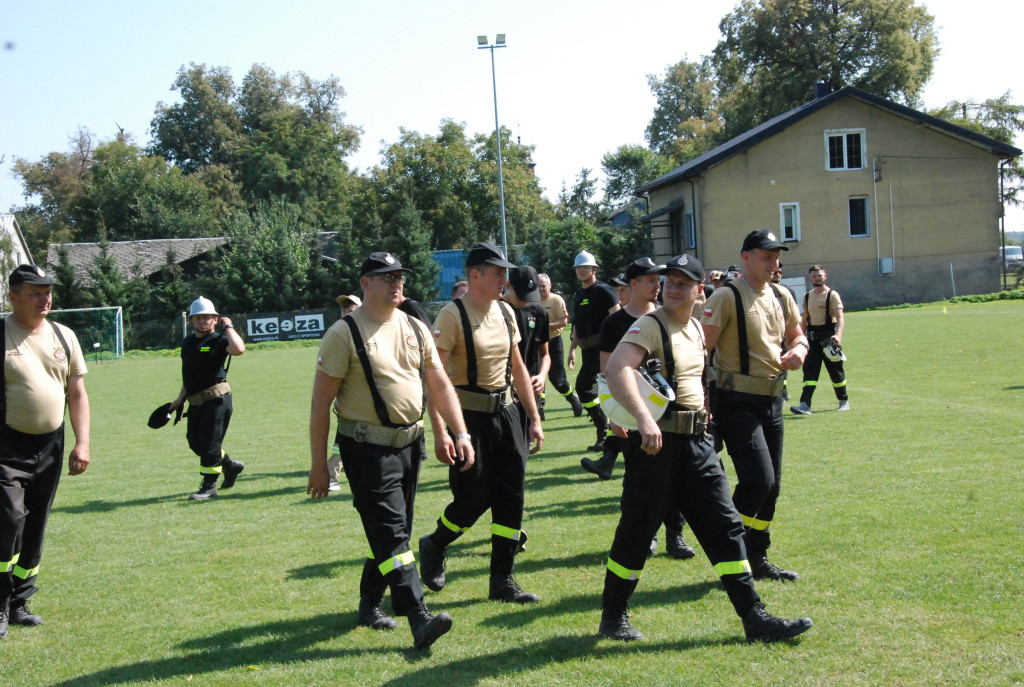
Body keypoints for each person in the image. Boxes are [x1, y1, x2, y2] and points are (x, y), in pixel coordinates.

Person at [598, 253, 813, 643]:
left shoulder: (697, 329)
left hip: (698, 446)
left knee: (726, 527)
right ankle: (613, 616)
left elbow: (699, 382)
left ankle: (755, 618)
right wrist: (644, 420)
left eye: (684, 283)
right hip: (657, 449)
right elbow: (616, 369)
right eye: (670, 282)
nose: (674, 289)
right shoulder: (649, 325)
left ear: (700, 291)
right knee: (636, 530)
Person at [308, 251, 472, 650]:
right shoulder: (343, 333)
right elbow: (320, 404)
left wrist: (459, 432)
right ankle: (418, 616)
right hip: (365, 449)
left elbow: (439, 385)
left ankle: (368, 605)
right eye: (385, 277)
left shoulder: (415, 327)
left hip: (408, 445)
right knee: (393, 534)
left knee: (388, 533)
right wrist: (318, 466)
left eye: (399, 276)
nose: (396, 283)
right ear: (365, 283)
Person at [419, 242, 544, 605]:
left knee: (511, 496)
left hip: (508, 414)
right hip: (468, 417)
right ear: (475, 275)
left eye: (505, 272)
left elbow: (519, 367)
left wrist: (533, 417)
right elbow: (434, 377)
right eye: (498, 272)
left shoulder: (506, 312)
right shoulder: (451, 315)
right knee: (473, 497)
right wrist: (441, 431)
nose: (505, 279)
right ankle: (437, 542)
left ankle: (502, 580)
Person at [701, 230, 809, 582]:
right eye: (766, 255)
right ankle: (731, 548)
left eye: (776, 256)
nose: (773, 262)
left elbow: (797, 334)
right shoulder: (726, 296)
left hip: (773, 398)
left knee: (772, 484)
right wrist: (704, 401)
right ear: (746, 257)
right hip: (735, 400)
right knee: (758, 480)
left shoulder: (781, 295)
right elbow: (701, 351)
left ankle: (757, 557)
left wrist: (800, 351)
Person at [581, 257, 696, 560]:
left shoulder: (668, 317)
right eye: (650, 280)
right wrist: (613, 417)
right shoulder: (615, 323)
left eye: (659, 280)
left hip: (671, 414)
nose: (657, 285)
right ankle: (648, 536)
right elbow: (607, 373)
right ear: (632, 284)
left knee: (677, 481)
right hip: (634, 416)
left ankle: (676, 536)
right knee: (640, 481)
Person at [1, 265, 91, 638]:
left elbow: (77, 393)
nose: (45, 298)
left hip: (51, 445)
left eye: (48, 291)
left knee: (36, 525)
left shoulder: (63, 335)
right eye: (35, 291)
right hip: (6, 445)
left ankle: (20, 601)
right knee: (8, 521)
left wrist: (82, 442)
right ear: (13, 297)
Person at [169, 297, 246, 501]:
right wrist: (179, 399)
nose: (203, 321)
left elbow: (238, 349)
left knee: (211, 443)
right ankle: (230, 466)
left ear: (215, 319)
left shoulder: (220, 340)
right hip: (195, 401)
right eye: (199, 318)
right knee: (196, 443)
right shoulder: (188, 343)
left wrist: (228, 326)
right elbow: (190, 375)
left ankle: (209, 486)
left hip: (217, 399)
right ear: (192, 320)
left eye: (208, 317)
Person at [567, 251, 620, 451]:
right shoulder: (579, 293)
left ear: (594, 269)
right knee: (592, 389)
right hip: (586, 350)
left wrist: (615, 348)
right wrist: (572, 349)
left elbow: (618, 318)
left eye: (585, 267)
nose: (581, 270)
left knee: (584, 387)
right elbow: (577, 326)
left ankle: (604, 429)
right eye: (578, 268)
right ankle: (605, 431)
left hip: (604, 349)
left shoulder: (604, 290)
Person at [791, 264, 849, 415]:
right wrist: (800, 337)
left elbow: (840, 317)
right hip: (812, 340)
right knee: (809, 372)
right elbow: (804, 319)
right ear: (810, 278)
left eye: (820, 275)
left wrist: (838, 336)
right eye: (814, 276)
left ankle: (843, 400)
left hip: (829, 339)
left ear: (825, 276)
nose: (817, 278)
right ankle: (805, 404)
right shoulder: (807, 296)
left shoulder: (832, 295)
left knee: (836, 372)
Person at [503, 266, 550, 421]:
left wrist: (542, 376)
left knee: (527, 441)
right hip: (502, 391)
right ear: (508, 286)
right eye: (522, 295)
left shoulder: (538, 312)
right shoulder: (494, 310)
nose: (525, 301)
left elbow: (545, 354)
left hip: (528, 389)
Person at [328, 295, 363, 491]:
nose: (346, 313)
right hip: (348, 401)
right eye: (343, 310)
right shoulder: (337, 334)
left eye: (351, 309)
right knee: (341, 439)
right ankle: (332, 475)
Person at [536, 273, 582, 417]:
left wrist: (545, 326)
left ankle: (573, 399)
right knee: (537, 375)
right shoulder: (533, 301)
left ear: (550, 286)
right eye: (538, 286)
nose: (541, 289)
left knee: (557, 379)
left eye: (543, 286)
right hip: (536, 343)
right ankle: (540, 408)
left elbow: (564, 321)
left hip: (554, 341)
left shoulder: (556, 300)